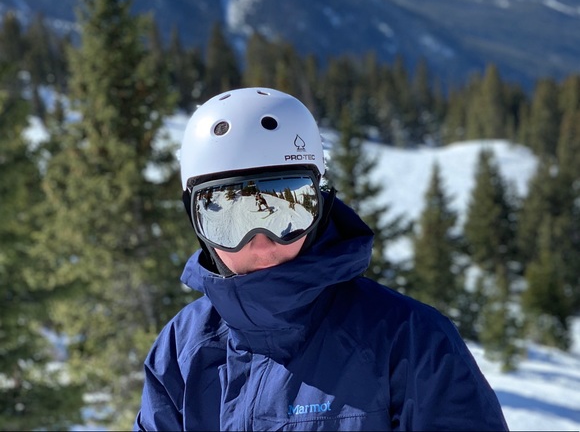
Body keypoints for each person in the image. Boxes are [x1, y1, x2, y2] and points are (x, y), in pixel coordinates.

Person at [133, 87, 509, 431]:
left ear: (321, 206)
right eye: (227, 221)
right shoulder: (183, 347)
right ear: (196, 222)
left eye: (286, 212)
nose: (261, 246)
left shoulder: (409, 341)